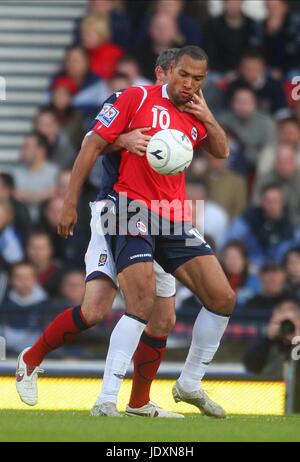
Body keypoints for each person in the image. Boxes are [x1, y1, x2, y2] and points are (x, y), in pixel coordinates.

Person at [56, 46, 234, 417]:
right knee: (139, 304)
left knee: (222, 297)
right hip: (128, 207)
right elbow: (92, 143)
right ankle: (106, 399)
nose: (189, 84)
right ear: (168, 71)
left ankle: (189, 383)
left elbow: (221, 150)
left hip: (174, 215)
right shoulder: (135, 97)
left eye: (198, 79)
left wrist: (208, 114)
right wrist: (70, 202)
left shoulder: (194, 112)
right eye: (184, 75)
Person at [16, 49, 183, 419]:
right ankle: (36, 359)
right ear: (160, 73)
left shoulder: (183, 111)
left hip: (166, 215)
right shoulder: (125, 100)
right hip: (118, 209)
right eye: (176, 73)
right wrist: (121, 142)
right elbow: (91, 143)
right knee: (97, 310)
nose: (182, 82)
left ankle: (138, 402)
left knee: (164, 318)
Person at [243, 299, 300, 379]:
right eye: (282, 322)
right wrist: (268, 339)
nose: (286, 327)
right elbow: (251, 366)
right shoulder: (265, 342)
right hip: (270, 388)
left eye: (290, 323)